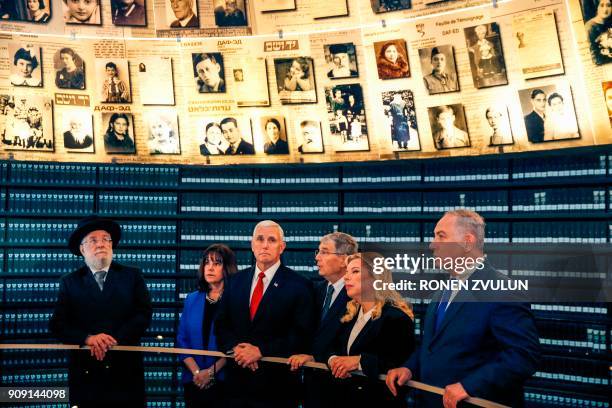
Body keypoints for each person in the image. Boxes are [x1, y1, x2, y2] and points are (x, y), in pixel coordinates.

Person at [386, 209, 541, 408]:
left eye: (441, 236)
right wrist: (409, 368)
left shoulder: (503, 290)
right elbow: (433, 346)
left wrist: (469, 386)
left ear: (467, 242)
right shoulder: (442, 289)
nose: (432, 244)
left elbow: (524, 356)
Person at [50, 216, 152, 407]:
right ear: (82, 249)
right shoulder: (69, 281)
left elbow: (143, 315)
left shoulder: (132, 275)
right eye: (93, 240)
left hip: (125, 369)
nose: (101, 244)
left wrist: (111, 340)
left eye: (106, 239)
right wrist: (88, 338)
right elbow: (58, 325)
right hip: (86, 371)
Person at [215, 220, 316, 408]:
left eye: (272, 240)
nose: (265, 245)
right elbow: (221, 324)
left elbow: (302, 334)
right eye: (260, 239)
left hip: (277, 387)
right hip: (236, 385)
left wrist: (261, 351)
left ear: (282, 247)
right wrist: (236, 350)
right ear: (252, 245)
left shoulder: (301, 285)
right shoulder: (235, 281)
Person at [326, 252, 414, 408]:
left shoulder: (396, 318)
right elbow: (330, 347)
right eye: (347, 272)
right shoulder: (348, 315)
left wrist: (359, 361)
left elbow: (399, 362)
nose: (346, 277)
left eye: (355, 271)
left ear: (375, 278)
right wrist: (334, 361)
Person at [287, 232, 358, 408]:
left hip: (343, 391)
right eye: (318, 251)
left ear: (345, 260)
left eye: (325, 252)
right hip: (313, 388)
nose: (317, 257)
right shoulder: (315, 290)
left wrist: (314, 356)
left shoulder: (358, 295)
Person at [178, 244, 238, 408]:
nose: (210, 268)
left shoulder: (235, 300)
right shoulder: (192, 299)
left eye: (217, 263)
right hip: (193, 380)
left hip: (223, 381)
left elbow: (236, 343)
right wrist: (197, 373)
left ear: (227, 268)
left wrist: (210, 373)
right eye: (207, 262)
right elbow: (182, 340)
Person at [584, 0, 612, 65]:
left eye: (609, 5)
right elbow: (594, 58)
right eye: (601, 5)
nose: (605, 9)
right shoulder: (590, 27)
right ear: (597, 7)